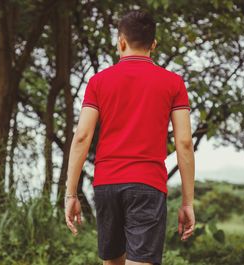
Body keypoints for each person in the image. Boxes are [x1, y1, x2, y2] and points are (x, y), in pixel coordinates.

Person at [64, 9, 195, 265]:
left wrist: (71, 194)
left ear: (121, 42)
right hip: (147, 185)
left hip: (106, 185)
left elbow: (82, 137)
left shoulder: (98, 82)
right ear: (153, 45)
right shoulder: (173, 83)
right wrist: (188, 202)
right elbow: (185, 143)